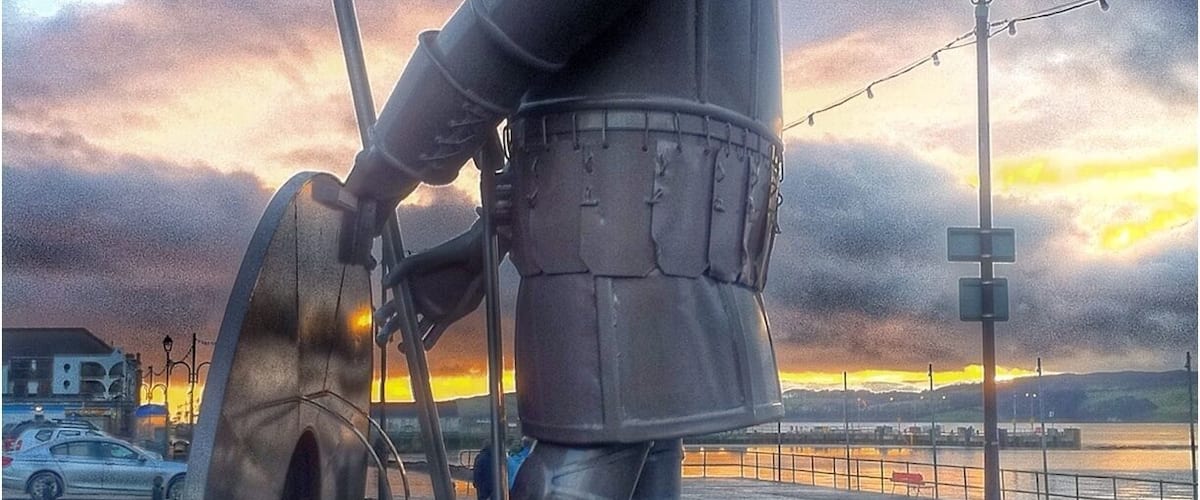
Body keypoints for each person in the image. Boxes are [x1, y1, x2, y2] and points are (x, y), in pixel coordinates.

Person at [353, 1, 785, 497]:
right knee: (645, 437)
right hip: (653, 229)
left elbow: (522, 21)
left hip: (614, 240)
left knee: (576, 468)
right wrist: (491, 235)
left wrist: (390, 158)